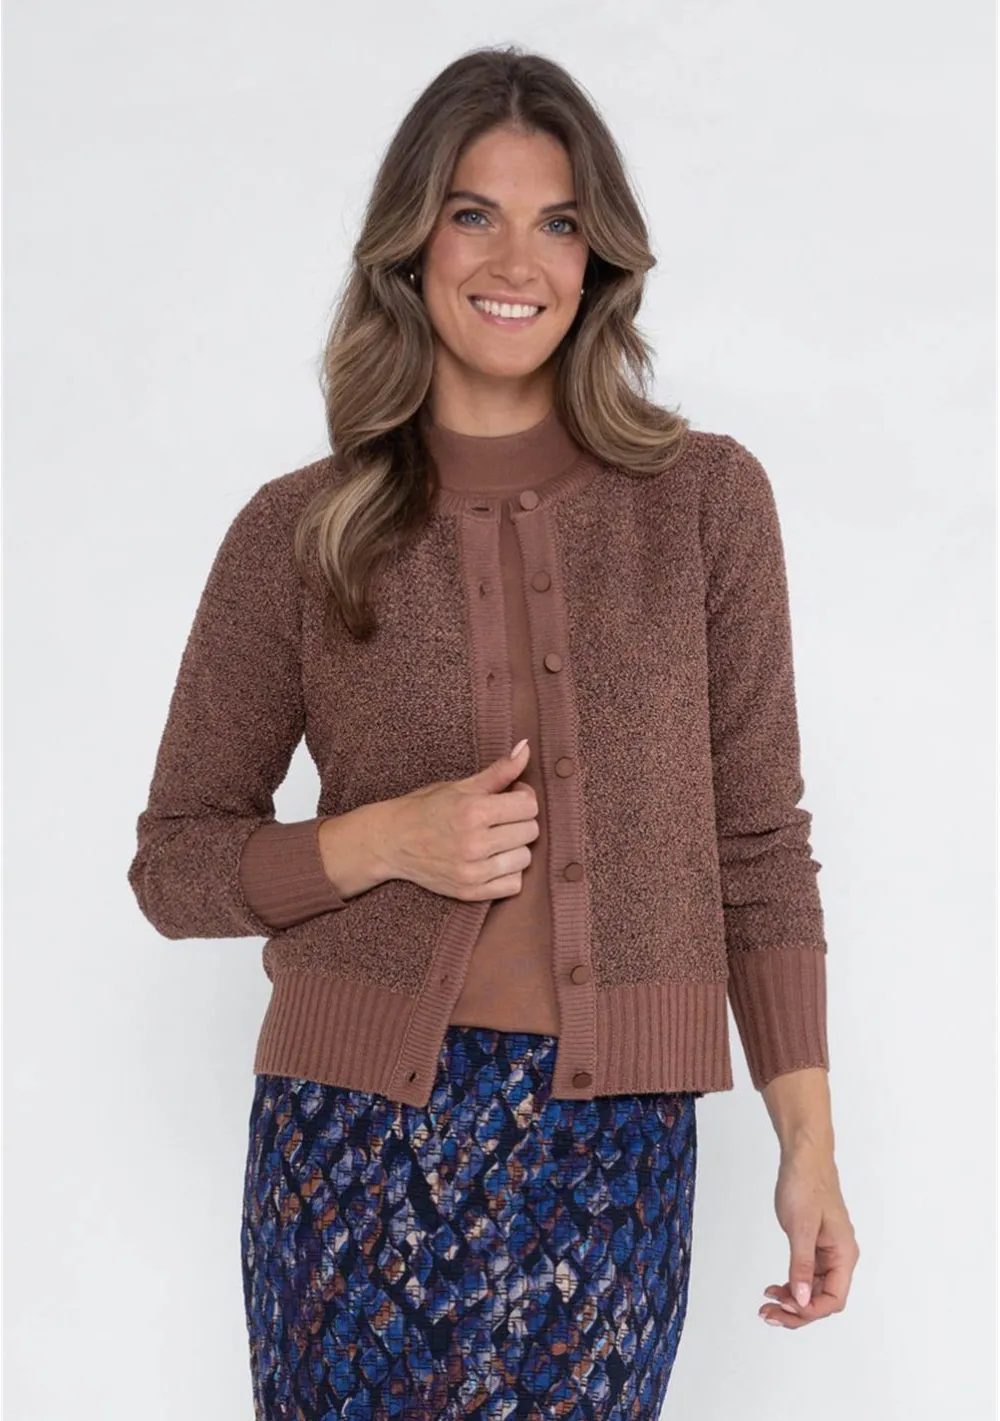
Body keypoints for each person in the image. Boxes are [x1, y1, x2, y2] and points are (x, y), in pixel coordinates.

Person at [128, 44, 860, 1419]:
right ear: (413, 245)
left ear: (598, 259)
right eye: (475, 213)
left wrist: (806, 1145)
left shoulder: (705, 502)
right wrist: (378, 841)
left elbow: (760, 848)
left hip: (613, 1150)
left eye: (559, 221)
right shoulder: (299, 529)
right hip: (349, 1145)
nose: (517, 259)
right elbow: (172, 864)